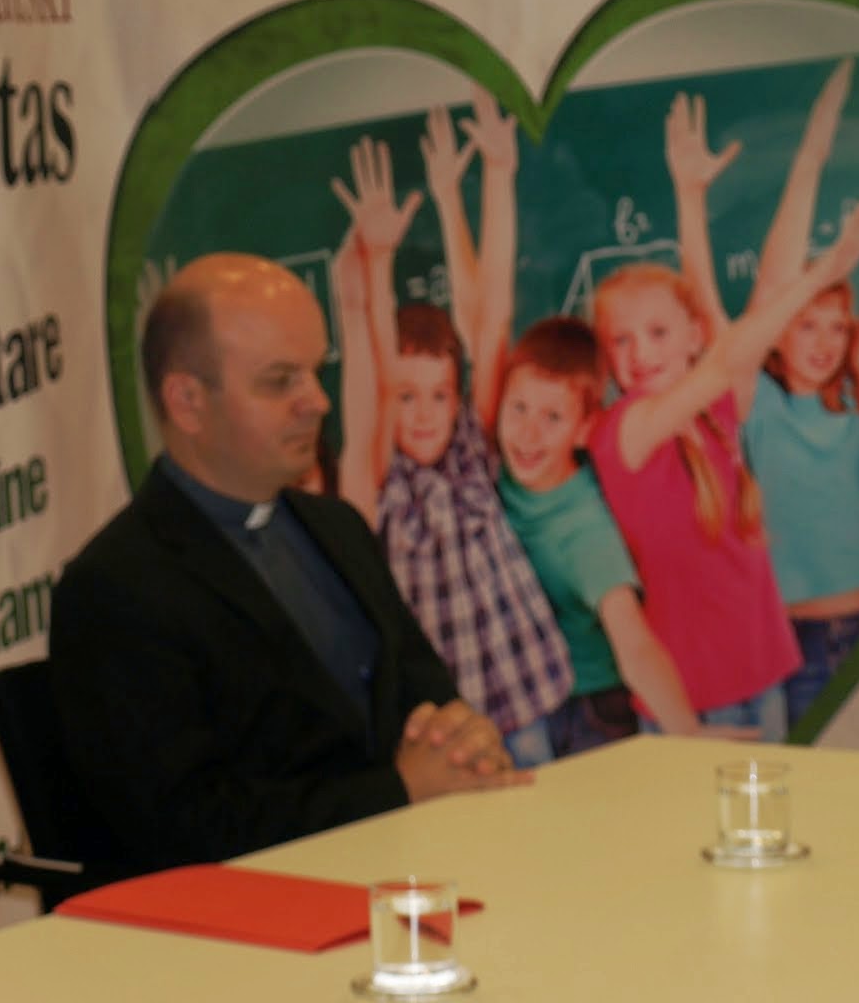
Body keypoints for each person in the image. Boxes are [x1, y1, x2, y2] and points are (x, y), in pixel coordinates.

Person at [48, 251, 526, 871]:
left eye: (316, 372)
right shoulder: (117, 588)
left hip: (413, 870)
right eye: (280, 382)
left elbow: (425, 693)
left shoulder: (336, 527)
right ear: (187, 402)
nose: (317, 402)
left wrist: (463, 741)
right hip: (254, 914)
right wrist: (398, 791)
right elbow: (182, 829)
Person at [586, 93, 859, 743]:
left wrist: (691, 198)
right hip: (686, 701)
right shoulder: (624, 432)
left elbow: (742, 306)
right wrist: (823, 275)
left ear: (690, 335)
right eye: (620, 341)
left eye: (657, 333)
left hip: (762, 673)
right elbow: (722, 357)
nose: (640, 354)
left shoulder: (716, 413)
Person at [329, 108, 573, 769]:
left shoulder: (470, 454)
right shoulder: (379, 482)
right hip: (449, 736)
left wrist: (498, 173)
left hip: (532, 703)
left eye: (438, 395)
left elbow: (490, 315)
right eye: (409, 398)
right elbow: (376, 389)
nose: (424, 414)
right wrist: (377, 263)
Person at [726, 59, 859, 727]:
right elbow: (774, 282)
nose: (824, 343)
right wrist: (813, 147)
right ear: (777, 335)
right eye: (806, 325)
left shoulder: (857, 389)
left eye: (837, 327)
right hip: (797, 640)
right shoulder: (758, 403)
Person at [493, 316, 713, 756]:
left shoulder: (584, 533)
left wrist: (689, 736)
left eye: (553, 417)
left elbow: (634, 645)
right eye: (518, 408)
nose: (529, 432)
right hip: (533, 697)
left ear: (583, 429)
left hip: (592, 708)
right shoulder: (498, 477)